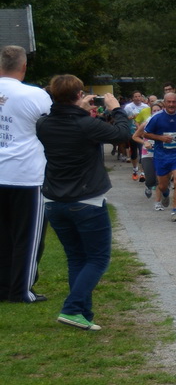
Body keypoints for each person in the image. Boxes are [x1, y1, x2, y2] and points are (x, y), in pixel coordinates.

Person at [35, 76, 133, 328]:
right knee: (98, 259)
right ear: (79, 94)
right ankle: (72, 307)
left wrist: (78, 108)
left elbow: (65, 120)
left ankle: (82, 314)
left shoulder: (44, 123)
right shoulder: (86, 125)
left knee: (77, 258)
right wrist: (115, 108)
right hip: (86, 200)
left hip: (54, 200)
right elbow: (122, 134)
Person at [0, 45, 51, 303]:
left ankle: (3, 287)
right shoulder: (35, 95)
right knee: (27, 236)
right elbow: (49, 128)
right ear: (23, 67)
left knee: (3, 235)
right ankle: (20, 290)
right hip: (25, 173)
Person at [140, 91, 176, 221]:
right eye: (169, 102)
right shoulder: (157, 117)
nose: (171, 104)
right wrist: (160, 138)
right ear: (164, 103)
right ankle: (165, 194)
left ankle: (175, 211)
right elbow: (145, 134)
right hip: (161, 156)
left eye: (174, 102)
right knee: (162, 186)